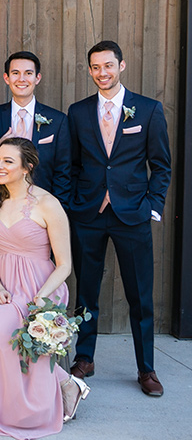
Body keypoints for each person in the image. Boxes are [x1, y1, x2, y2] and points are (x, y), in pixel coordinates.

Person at [0, 138, 90, 440]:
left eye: (8, 161)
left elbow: (64, 264)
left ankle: (23, 404)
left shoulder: (48, 204)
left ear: (28, 168)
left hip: (40, 283)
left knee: (7, 324)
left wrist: (41, 296)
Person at [67, 40, 171, 396]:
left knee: (140, 296)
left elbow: (161, 166)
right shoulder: (78, 112)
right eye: (95, 67)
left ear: (121, 66)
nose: (102, 73)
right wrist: (72, 204)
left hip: (133, 215)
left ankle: (146, 369)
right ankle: (84, 357)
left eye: (108, 66)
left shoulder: (147, 110)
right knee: (87, 292)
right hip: (89, 214)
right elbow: (72, 164)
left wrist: (152, 206)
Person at [0, 51, 71, 208]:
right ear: (6, 78)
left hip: (43, 206)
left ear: (37, 78)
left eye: (28, 73)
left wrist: (57, 209)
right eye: (15, 73)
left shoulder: (57, 120)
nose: (21, 79)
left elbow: (63, 171)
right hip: (0, 204)